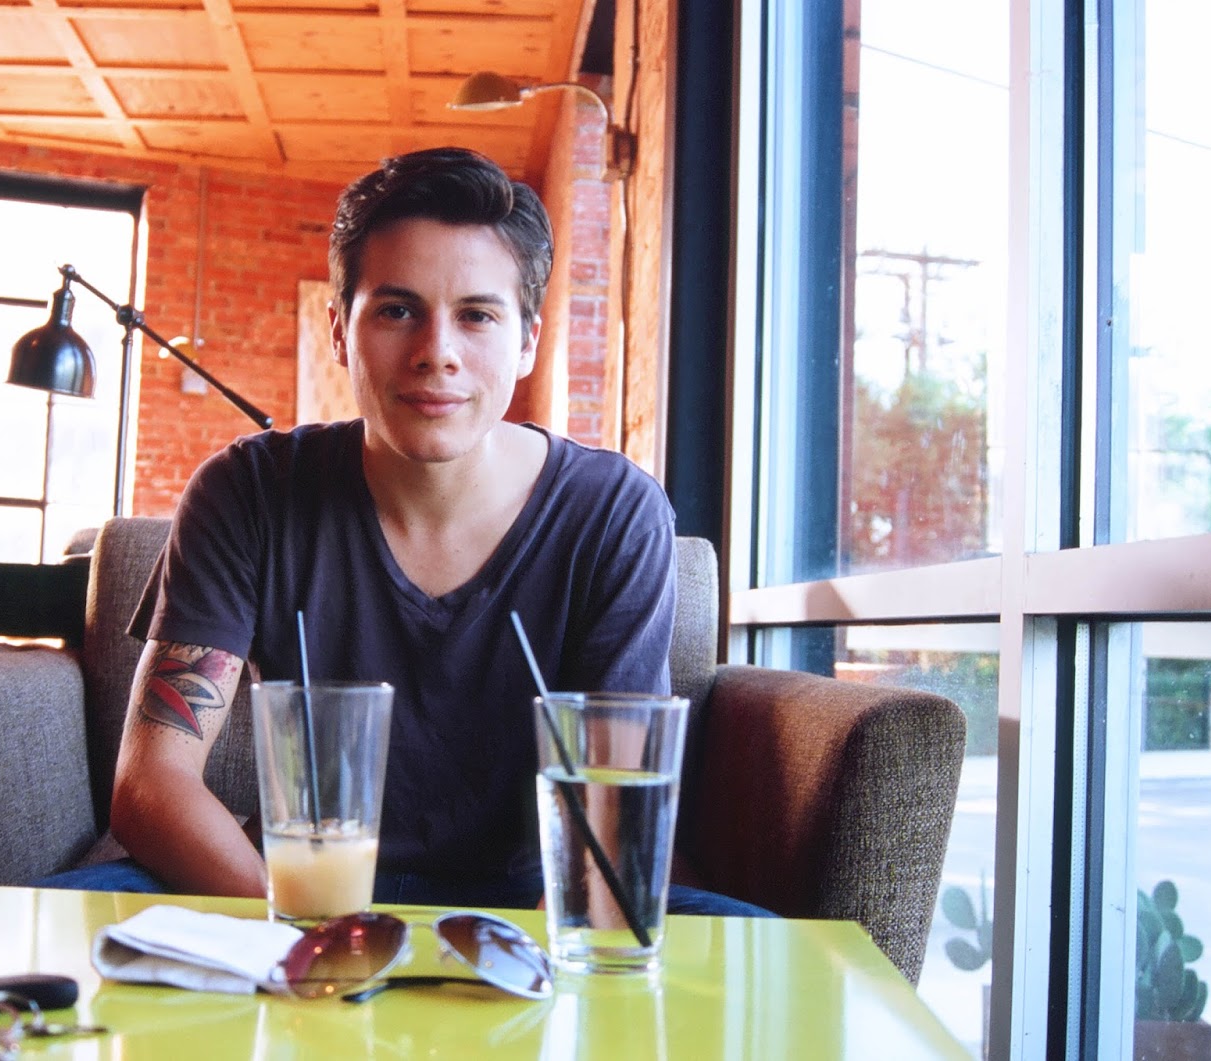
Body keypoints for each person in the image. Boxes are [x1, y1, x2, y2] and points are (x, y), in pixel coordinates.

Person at [43, 146, 766, 917]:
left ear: (528, 340)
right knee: (56, 916)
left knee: (760, 945)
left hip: (533, 903)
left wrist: (529, 956)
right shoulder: (247, 491)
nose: (435, 354)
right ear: (338, 330)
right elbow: (152, 782)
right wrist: (305, 935)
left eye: (477, 315)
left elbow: (611, 818)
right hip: (298, 885)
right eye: (396, 310)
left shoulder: (614, 512)